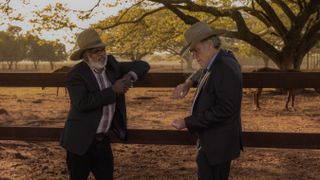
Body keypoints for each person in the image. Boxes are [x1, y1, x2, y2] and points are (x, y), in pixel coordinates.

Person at [60, 29, 150, 180]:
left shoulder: (112, 65)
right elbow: (82, 103)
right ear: (85, 55)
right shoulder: (76, 74)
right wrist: (113, 90)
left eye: (103, 49)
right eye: (96, 51)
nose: (102, 54)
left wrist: (129, 76)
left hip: (103, 142)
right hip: (79, 142)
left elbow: (143, 65)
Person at [171, 22, 243, 180]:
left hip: (217, 145)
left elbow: (224, 109)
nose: (194, 56)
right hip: (214, 142)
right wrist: (189, 82)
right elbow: (204, 70)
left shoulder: (224, 68)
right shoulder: (220, 60)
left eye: (196, 51)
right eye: (192, 52)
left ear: (209, 44)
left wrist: (187, 122)